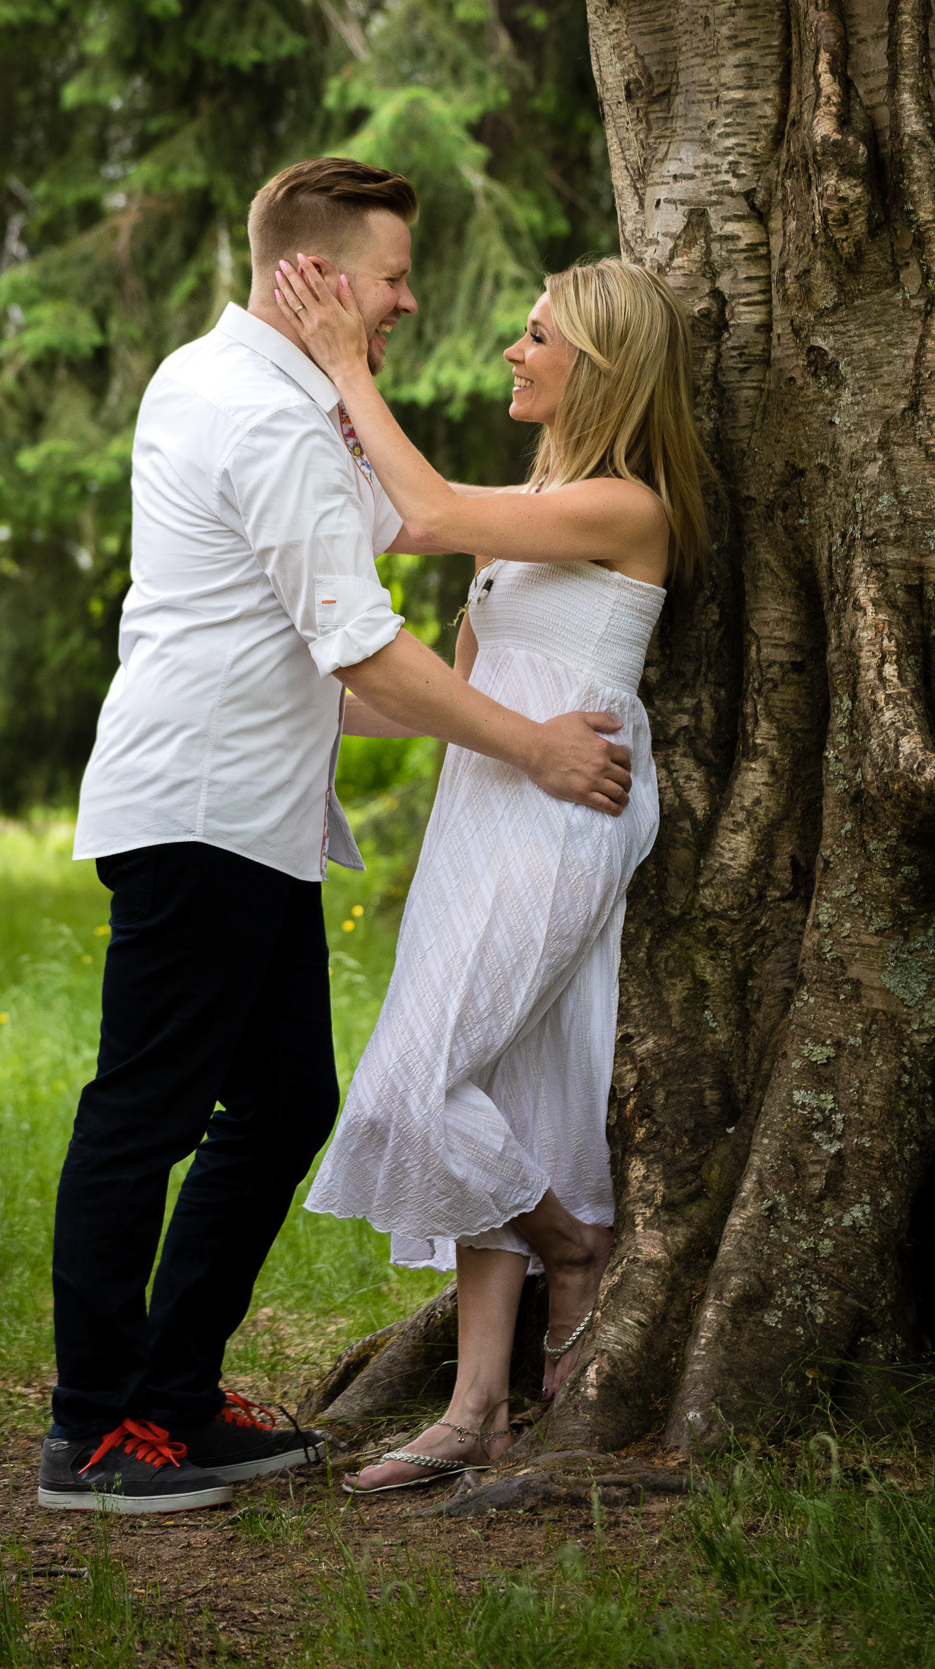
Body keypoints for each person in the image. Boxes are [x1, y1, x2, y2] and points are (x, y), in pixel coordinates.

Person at [38, 158, 633, 1516]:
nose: (409, 303)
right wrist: (534, 744)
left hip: (250, 814)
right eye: (392, 277)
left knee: (284, 1102)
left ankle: (174, 1398)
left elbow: (398, 544)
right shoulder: (265, 416)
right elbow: (360, 642)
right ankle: (96, 1430)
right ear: (311, 274)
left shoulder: (244, 386)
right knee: (145, 1113)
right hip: (202, 810)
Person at [274, 249, 709, 1495]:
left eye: (537, 335)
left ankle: (575, 1243)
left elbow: (423, 511)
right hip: (487, 804)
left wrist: (346, 365)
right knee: (505, 1091)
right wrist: (279, 699)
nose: (513, 351)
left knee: (410, 1090)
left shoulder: (627, 505)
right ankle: (476, 1410)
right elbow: (449, 699)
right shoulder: (536, 509)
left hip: (564, 812)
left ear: (602, 365)